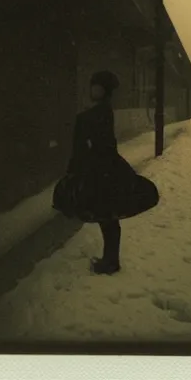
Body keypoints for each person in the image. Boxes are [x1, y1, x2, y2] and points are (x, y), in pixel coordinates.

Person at [53, 70, 160, 275]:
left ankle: (110, 262)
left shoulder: (97, 113)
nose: (94, 90)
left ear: (105, 91)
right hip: (102, 172)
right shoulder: (99, 112)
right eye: (93, 86)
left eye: (98, 87)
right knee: (107, 216)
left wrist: (79, 171)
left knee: (107, 216)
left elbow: (99, 148)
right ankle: (110, 260)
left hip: (100, 173)